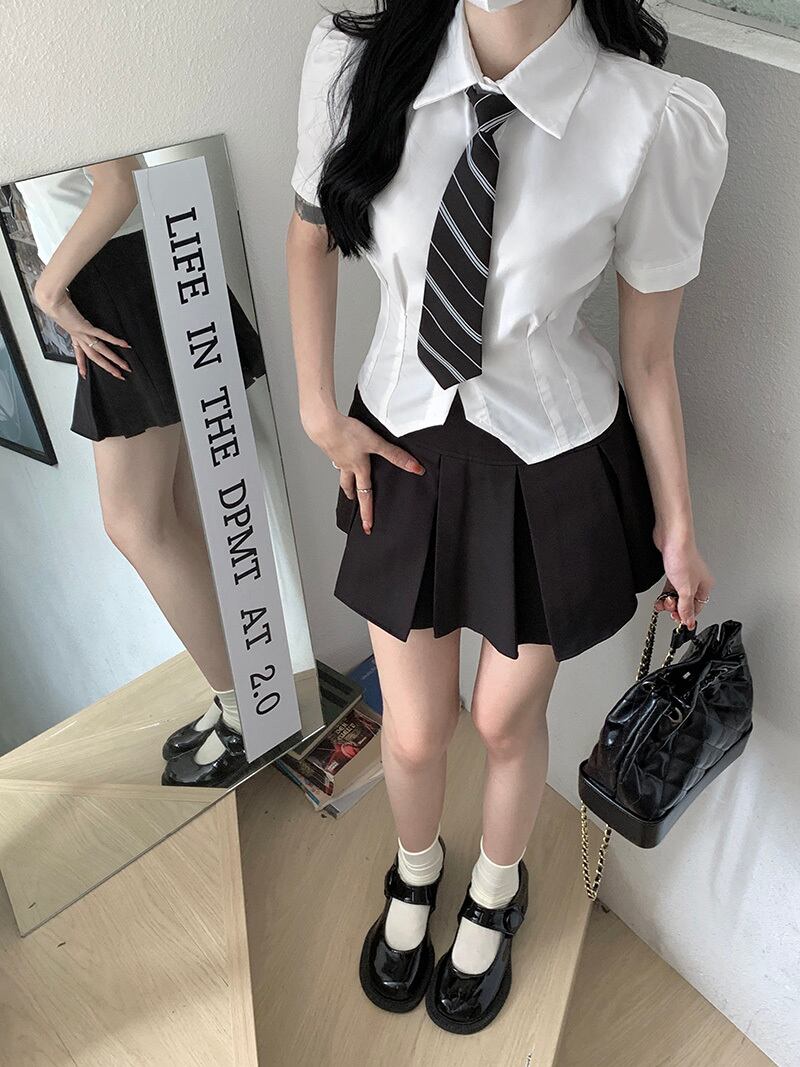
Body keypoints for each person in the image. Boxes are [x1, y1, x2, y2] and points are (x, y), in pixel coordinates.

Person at [285, 0, 727, 1034]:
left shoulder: (651, 117)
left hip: (550, 465)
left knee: (502, 719)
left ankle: (494, 886)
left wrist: (677, 523)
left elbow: (648, 356)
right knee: (415, 727)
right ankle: (415, 865)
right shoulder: (357, 63)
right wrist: (317, 412)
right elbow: (310, 237)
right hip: (398, 446)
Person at [17, 156, 266, 788]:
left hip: (117, 274)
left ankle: (247, 709)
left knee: (136, 523)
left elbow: (118, 181)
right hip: (120, 273)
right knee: (169, 517)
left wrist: (48, 290)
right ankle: (243, 694)